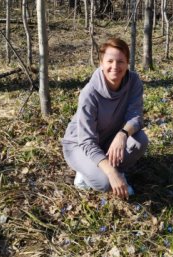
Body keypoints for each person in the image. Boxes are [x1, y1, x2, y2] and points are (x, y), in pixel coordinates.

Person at [62, 38, 148, 200]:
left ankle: (111, 169)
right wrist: (111, 173)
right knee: (104, 182)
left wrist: (122, 134)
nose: (115, 67)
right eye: (110, 61)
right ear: (101, 63)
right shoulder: (90, 93)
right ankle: (86, 174)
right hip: (79, 145)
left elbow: (136, 116)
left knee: (139, 140)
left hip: (108, 138)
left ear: (128, 63)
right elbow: (87, 141)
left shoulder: (134, 81)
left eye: (120, 61)